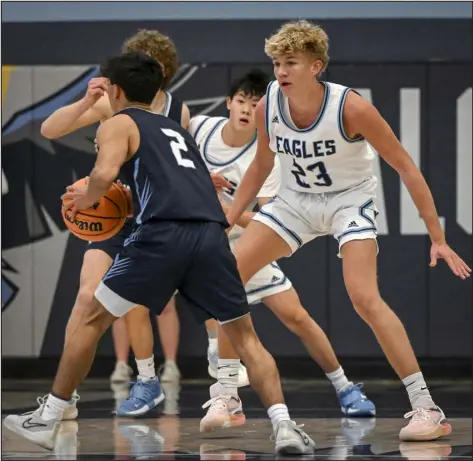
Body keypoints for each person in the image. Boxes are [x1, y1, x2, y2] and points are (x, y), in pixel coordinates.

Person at [4, 52, 316, 456]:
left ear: (114, 91)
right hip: (209, 235)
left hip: (162, 236)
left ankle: (49, 419)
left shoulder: (118, 122)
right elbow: (180, 186)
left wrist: (90, 196)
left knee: (91, 319)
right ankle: (284, 427)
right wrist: (130, 203)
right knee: (245, 338)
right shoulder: (177, 130)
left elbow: (102, 175)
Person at [225, 20, 471, 442]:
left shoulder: (351, 107)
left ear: (316, 65)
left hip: (348, 201)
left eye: (290, 63)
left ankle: (426, 407)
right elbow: (262, 166)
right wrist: (226, 218)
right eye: (277, 63)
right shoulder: (269, 105)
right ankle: (225, 392)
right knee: (225, 278)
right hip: (295, 201)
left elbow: (405, 167)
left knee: (364, 299)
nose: (280, 71)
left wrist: (438, 237)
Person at [189, 69, 375, 432]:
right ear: (228, 103)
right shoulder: (199, 128)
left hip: (243, 246)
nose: (246, 109)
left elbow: (262, 222)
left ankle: (345, 387)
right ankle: (222, 387)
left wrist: (226, 210)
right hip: (204, 246)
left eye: (255, 104)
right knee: (215, 299)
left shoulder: (266, 156)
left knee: (297, 318)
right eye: (241, 101)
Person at [40, 29, 194, 417]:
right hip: (111, 219)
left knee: (136, 305)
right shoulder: (112, 105)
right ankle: (66, 397)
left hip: (153, 219)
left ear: (163, 71)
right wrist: (85, 101)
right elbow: (49, 130)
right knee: (85, 297)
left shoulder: (179, 113)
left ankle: (148, 379)